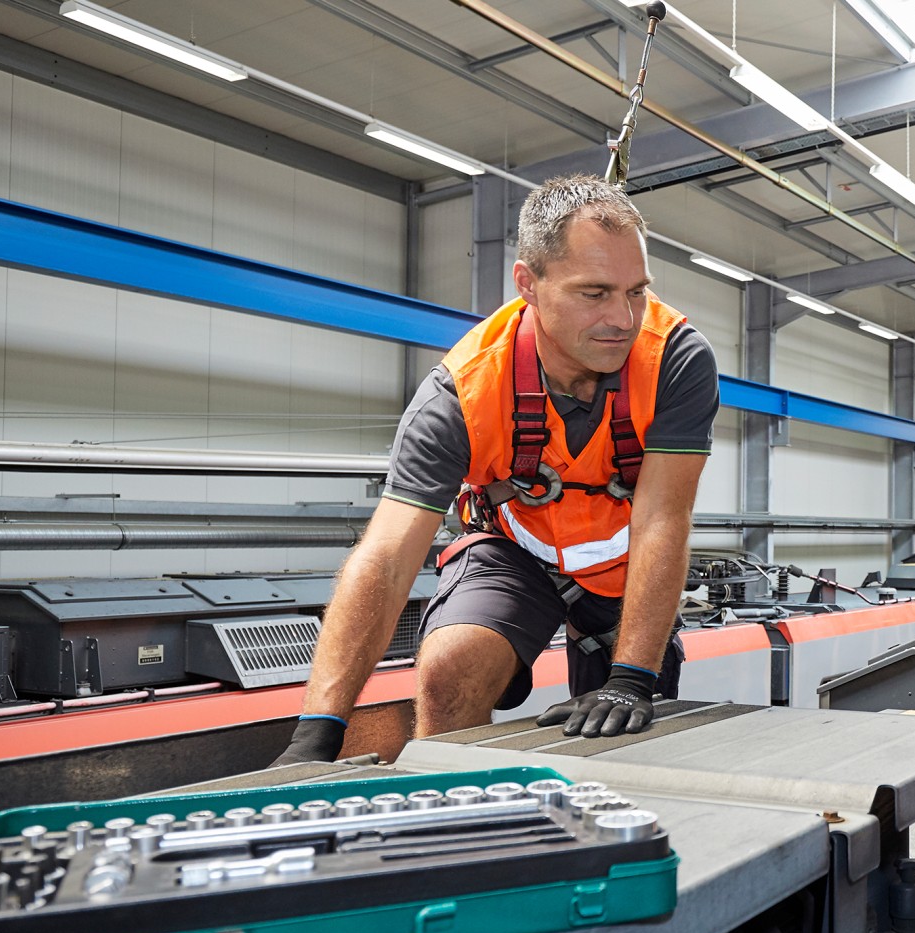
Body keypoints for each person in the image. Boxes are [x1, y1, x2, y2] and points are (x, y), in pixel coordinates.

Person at [271, 175, 718, 766]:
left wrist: (631, 676)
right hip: (517, 553)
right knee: (450, 670)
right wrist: (318, 731)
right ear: (528, 284)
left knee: (629, 744)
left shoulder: (675, 360)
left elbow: (663, 518)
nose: (624, 317)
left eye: (637, 291)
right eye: (595, 293)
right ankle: (450, 818)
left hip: (628, 569)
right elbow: (386, 556)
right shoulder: (463, 392)